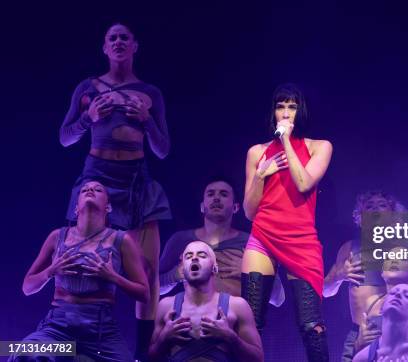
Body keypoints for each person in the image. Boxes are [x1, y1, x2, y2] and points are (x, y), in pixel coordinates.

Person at [59, 23, 171, 359]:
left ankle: (143, 353)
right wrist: (87, 118)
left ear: (135, 46)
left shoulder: (150, 92)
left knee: (147, 273)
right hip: (97, 179)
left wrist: (147, 119)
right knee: (83, 263)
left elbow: (163, 149)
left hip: (136, 181)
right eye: (113, 38)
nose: (119, 42)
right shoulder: (87, 88)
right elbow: (65, 137)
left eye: (125, 37)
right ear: (104, 48)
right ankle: (75, 343)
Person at [241, 83, 333, 361]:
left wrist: (285, 143)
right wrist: (260, 175)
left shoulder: (320, 146)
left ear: (300, 111)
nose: (285, 112)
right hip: (263, 234)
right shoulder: (256, 152)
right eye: (280, 106)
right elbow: (248, 211)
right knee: (250, 323)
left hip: (300, 239)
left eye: (291, 106)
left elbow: (304, 182)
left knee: (310, 325)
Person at [10, 181, 148, 361]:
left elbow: (144, 294)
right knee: (22, 351)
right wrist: (51, 270)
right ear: (76, 209)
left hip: (100, 332)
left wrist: (113, 277)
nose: (90, 190)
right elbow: (27, 287)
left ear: (108, 207)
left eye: (98, 190)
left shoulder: (122, 240)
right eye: (84, 190)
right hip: (59, 329)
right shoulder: (57, 236)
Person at [149, 241, 263, 362]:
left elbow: (258, 358)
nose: (194, 258)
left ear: (215, 267)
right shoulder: (166, 306)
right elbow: (150, 357)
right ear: (182, 268)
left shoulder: (237, 306)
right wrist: (164, 338)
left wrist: (230, 337)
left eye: (202, 255)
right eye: (188, 256)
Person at [323, 190, 403, 362]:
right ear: (360, 215)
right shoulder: (349, 248)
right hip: (360, 332)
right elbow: (325, 291)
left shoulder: (403, 246)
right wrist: (338, 276)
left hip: (397, 333)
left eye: (382, 205)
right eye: (369, 206)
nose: (375, 209)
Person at [159, 177, 249, 297]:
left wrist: (249, 272)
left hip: (238, 314)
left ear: (235, 207)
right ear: (202, 207)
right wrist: (175, 275)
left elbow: (278, 298)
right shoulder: (181, 240)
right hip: (194, 314)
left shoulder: (249, 242)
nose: (216, 198)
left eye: (223, 194)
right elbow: (154, 287)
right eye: (210, 194)